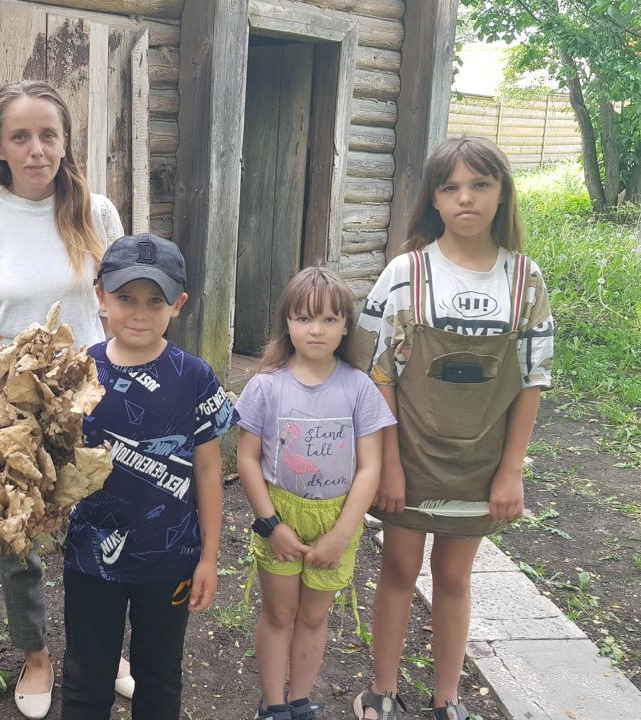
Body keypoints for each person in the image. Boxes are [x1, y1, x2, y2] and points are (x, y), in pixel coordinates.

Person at [0, 80, 129, 719]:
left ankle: (107, 648)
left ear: (65, 139)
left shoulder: (95, 212)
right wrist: (16, 371)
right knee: (21, 538)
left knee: (99, 526)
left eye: (48, 134)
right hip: (5, 408)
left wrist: (76, 379)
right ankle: (36, 655)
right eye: (20, 136)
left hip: (87, 401)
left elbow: (119, 301)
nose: (37, 148)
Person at [347, 137, 554, 720]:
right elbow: (379, 374)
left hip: (482, 461)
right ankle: (382, 692)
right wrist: (386, 464)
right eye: (451, 187)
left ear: (502, 194)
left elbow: (533, 379)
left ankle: (447, 699)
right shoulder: (404, 273)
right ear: (433, 199)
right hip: (408, 455)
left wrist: (511, 471)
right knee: (398, 567)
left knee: (455, 577)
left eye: (480, 185)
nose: (466, 198)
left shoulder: (525, 281)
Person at [61, 233, 237, 720]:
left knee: (159, 676)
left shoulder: (195, 376)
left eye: (154, 301)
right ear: (100, 296)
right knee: (85, 675)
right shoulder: (78, 371)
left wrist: (209, 555)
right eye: (124, 298)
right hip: (90, 556)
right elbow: (54, 458)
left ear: (178, 304)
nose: (138, 312)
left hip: (171, 558)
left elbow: (208, 468)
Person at [235, 266, 395, 720]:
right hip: (280, 517)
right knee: (279, 613)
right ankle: (273, 704)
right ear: (287, 322)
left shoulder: (359, 388)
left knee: (313, 616)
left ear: (346, 325)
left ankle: (300, 700)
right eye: (304, 318)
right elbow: (246, 459)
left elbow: (370, 467)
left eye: (328, 319)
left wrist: (343, 533)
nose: (316, 329)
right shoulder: (267, 386)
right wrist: (271, 524)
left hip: (335, 519)